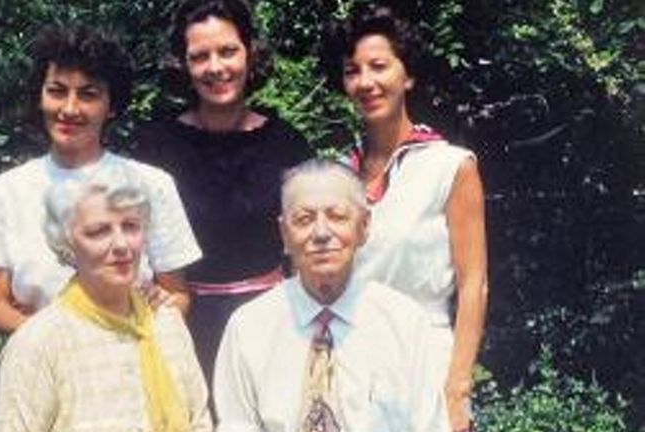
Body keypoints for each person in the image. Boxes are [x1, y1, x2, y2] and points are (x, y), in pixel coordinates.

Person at [0, 24, 201, 332]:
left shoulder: (152, 184)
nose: (69, 108)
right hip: (40, 362)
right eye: (57, 91)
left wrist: (159, 312)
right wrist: (53, 343)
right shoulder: (8, 189)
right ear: (40, 97)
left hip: (132, 359)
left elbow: (177, 295)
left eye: (88, 94)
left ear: (111, 106)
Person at [320, 6, 488, 431]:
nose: (366, 82)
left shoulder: (450, 166)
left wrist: (456, 388)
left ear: (407, 75)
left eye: (379, 66)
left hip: (425, 359)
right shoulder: (336, 177)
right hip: (349, 359)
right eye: (352, 71)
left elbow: (473, 284)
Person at [132, 0, 312, 387]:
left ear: (250, 53)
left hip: (272, 324)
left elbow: (308, 246)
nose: (216, 67)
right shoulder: (155, 147)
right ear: (184, 64)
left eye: (228, 51)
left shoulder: (288, 146)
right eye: (200, 56)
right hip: (180, 325)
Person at [213, 159, 449, 432]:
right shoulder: (248, 328)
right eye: (304, 219)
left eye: (337, 216)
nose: (321, 233)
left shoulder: (404, 323)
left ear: (363, 227)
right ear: (284, 234)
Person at [0, 167, 212, 432]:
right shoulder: (39, 343)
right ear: (67, 242)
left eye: (130, 227)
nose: (121, 245)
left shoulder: (167, 323)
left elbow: (200, 422)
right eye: (98, 231)